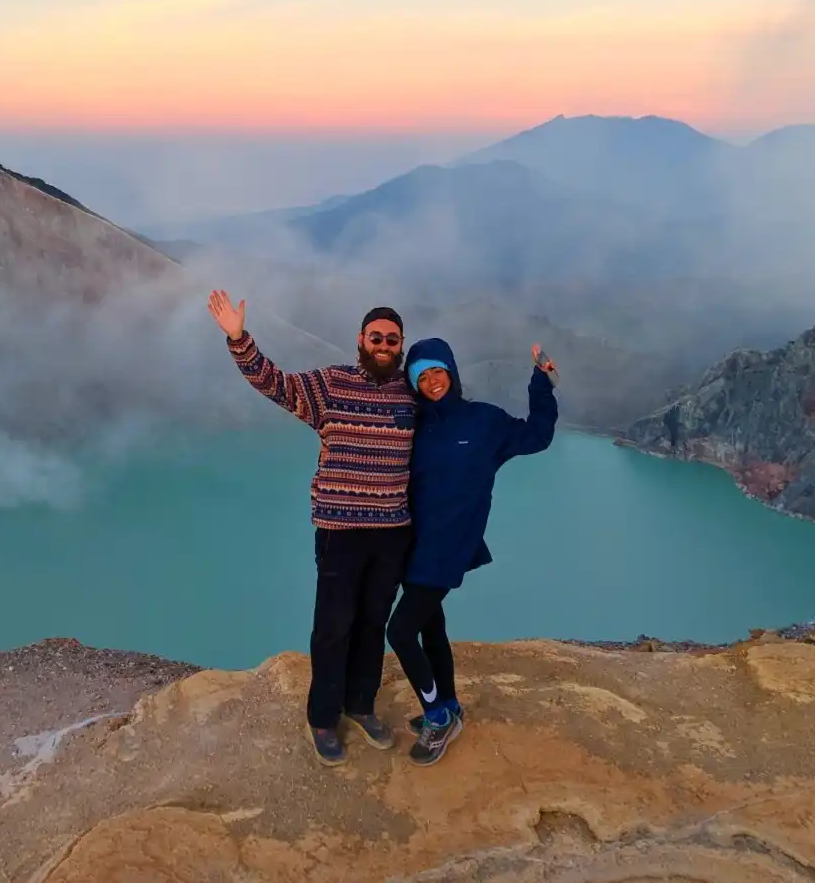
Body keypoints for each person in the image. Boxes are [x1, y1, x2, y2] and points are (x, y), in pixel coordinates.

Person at [207, 289, 417, 766]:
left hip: (391, 532)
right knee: (333, 627)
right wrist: (238, 338)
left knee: (372, 624)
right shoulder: (331, 386)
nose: (384, 345)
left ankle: (360, 706)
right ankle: (323, 718)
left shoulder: (411, 395)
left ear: (401, 345)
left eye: (392, 339)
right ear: (361, 341)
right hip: (339, 530)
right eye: (376, 337)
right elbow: (275, 384)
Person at [386, 335, 557, 766]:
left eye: (438, 371)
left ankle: (437, 716)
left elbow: (536, 436)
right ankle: (450, 704)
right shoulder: (414, 426)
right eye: (421, 376)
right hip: (413, 544)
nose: (432, 382)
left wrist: (542, 383)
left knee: (401, 631)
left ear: (453, 373)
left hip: (449, 546)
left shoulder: (483, 422)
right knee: (430, 628)